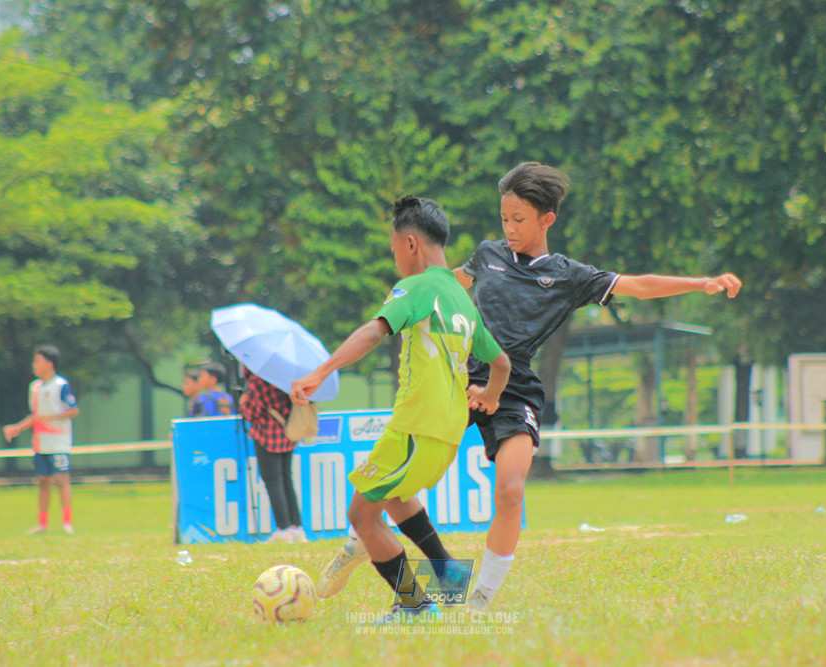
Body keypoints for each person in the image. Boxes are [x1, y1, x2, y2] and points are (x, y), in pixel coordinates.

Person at [314, 163, 743, 611]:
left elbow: (635, 285)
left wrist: (701, 283)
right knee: (404, 467)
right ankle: (362, 541)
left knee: (511, 488)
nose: (510, 228)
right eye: (504, 219)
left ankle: (478, 597)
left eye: (519, 219)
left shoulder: (568, 275)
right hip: (460, 379)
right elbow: (444, 285)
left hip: (513, 386)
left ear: (546, 220)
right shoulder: (486, 255)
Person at [291, 195, 511, 619]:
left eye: (394, 250)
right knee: (394, 496)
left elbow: (374, 332)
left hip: (414, 428)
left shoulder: (417, 286)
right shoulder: (463, 298)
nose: (395, 261)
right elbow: (500, 363)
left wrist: (321, 372)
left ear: (411, 244)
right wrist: (490, 397)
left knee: (361, 515)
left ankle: (415, 604)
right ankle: (446, 571)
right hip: (448, 435)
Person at [3, 344, 80, 535]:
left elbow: (74, 410)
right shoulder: (35, 387)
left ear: (49, 363)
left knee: (62, 480)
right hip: (40, 443)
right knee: (43, 481)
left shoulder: (61, 385)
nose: (34, 365)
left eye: (37, 361)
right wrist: (17, 428)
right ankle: (43, 523)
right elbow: (35, 415)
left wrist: (52, 417)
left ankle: (67, 522)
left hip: (59, 443)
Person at [238, 369, 307, 544]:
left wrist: (242, 400)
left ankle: (283, 529)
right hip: (287, 432)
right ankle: (296, 527)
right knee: (286, 479)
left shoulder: (257, 382)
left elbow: (249, 412)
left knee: (273, 481)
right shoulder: (286, 378)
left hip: (266, 435)